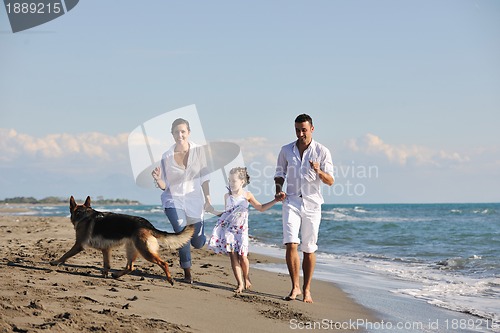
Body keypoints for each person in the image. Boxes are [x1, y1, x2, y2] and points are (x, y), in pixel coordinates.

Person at [274, 114, 334, 303]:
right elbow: (279, 173)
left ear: (312, 129)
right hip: (291, 201)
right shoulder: (286, 150)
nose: (300, 133)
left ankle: (307, 289)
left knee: (308, 248)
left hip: (312, 204)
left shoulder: (322, 151)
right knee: (291, 243)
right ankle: (295, 288)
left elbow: (330, 181)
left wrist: (318, 170)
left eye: (304, 130)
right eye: (297, 130)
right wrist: (278, 190)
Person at [151, 118, 213, 284]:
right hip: (173, 201)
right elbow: (165, 186)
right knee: (182, 234)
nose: (180, 135)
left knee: (198, 242)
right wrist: (158, 179)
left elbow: (205, 178)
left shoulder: (199, 152)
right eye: (176, 132)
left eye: (183, 131)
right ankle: (187, 273)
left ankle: (201, 238)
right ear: (172, 134)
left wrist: (208, 199)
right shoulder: (167, 156)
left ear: (188, 133)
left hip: (195, 202)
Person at [208, 167, 278, 293]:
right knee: (233, 257)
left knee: (243, 257)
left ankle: (246, 277)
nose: (231, 183)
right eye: (230, 181)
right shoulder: (227, 196)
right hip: (229, 231)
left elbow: (261, 207)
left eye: (234, 181)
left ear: (242, 181)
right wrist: (212, 210)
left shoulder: (247, 195)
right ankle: (240, 284)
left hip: (242, 231)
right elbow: (226, 214)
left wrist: (276, 200)